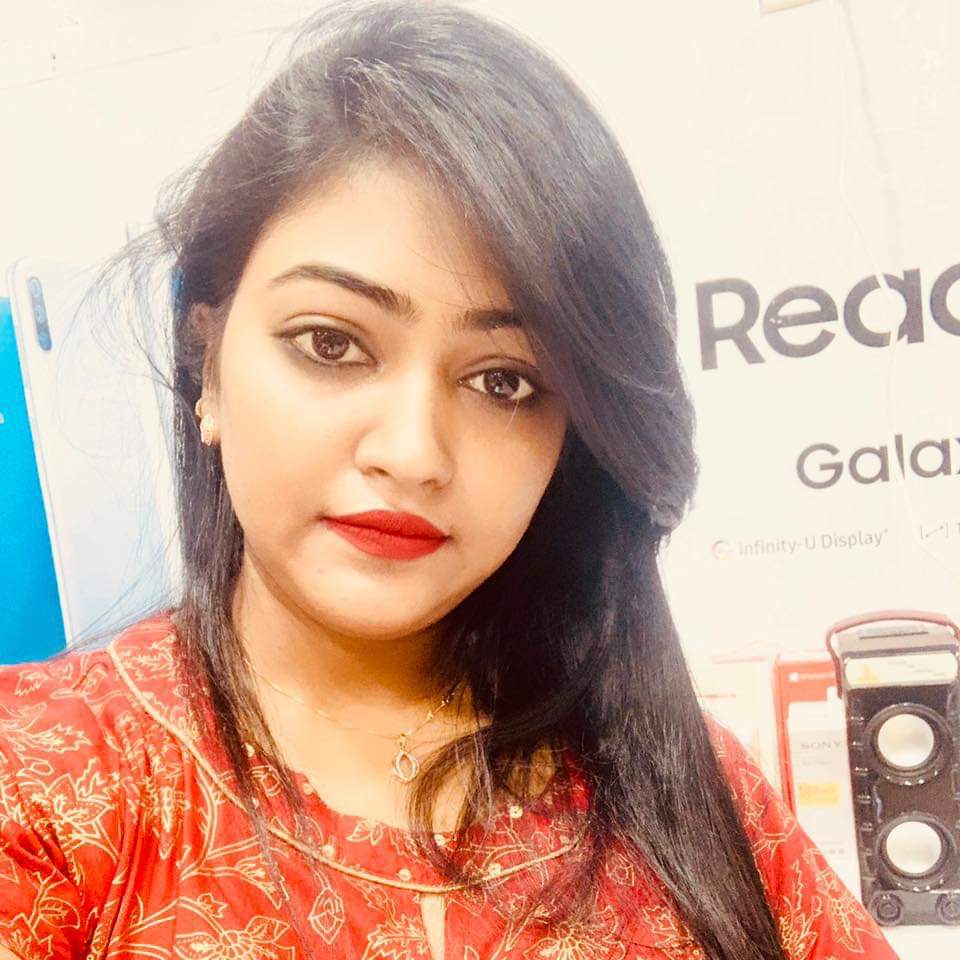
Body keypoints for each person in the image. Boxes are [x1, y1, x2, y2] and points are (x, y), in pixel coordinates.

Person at [0, 2, 901, 958]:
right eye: (332, 343)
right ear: (209, 366)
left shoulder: (683, 788)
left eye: (504, 381)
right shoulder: (48, 780)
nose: (414, 452)